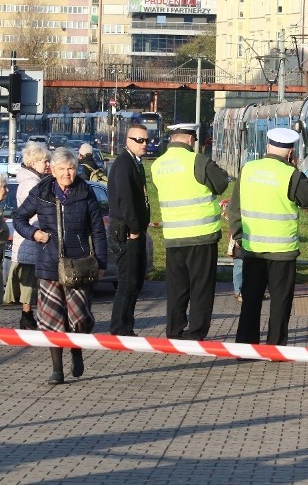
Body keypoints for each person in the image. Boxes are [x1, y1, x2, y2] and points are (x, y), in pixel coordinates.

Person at [13, 148, 108, 384]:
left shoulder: (85, 191)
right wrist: (34, 234)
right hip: (48, 264)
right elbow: (18, 218)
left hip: (79, 265)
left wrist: (101, 263)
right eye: (62, 169)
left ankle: (77, 351)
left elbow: (97, 230)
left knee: (80, 318)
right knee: (51, 320)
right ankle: (57, 370)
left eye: (71, 168)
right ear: (52, 171)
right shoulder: (42, 191)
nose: (67, 173)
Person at [229, 128, 308, 346]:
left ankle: (246, 345)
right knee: (280, 302)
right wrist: (294, 169)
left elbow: (234, 208)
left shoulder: (248, 169)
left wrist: (239, 235)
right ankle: (276, 347)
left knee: (250, 300)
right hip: (282, 252)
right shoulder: (291, 174)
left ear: (267, 146)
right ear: (291, 152)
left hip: (252, 249)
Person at [151, 123, 229, 341]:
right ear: (189, 139)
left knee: (177, 288)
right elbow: (222, 183)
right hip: (201, 236)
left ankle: (174, 330)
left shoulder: (157, 165)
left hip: (173, 237)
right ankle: (196, 333)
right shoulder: (198, 161)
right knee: (201, 288)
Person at [107, 123, 151, 336]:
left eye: (146, 140)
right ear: (128, 141)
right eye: (139, 140)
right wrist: (134, 228)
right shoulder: (124, 164)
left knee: (134, 281)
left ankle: (125, 325)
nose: (144, 144)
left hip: (134, 230)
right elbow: (125, 199)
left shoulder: (135, 163)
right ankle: (120, 327)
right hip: (126, 232)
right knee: (127, 281)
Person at [3, 142, 50, 328]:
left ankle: (28, 316)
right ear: (33, 162)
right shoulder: (32, 183)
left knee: (29, 282)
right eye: (44, 161)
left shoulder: (29, 180)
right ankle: (28, 317)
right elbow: (37, 211)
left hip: (29, 237)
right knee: (30, 282)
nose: (47, 164)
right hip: (33, 238)